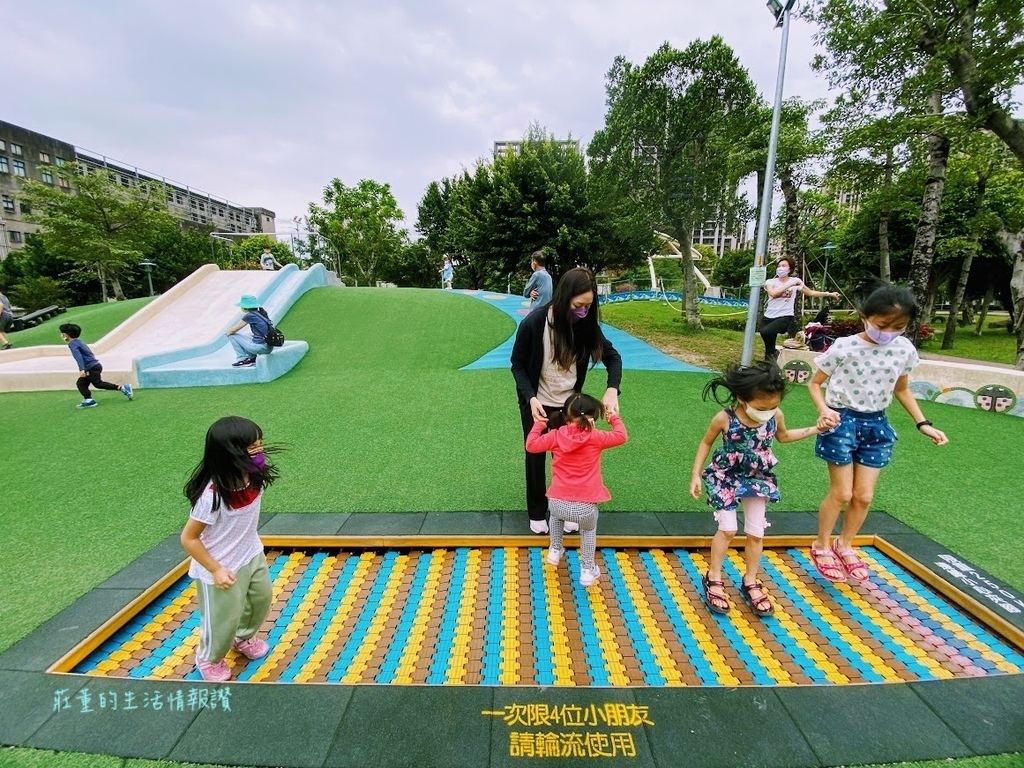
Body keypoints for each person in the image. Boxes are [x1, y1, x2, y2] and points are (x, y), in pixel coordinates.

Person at [807, 279, 949, 584]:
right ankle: (821, 545)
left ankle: (845, 545)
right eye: (882, 324)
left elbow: (903, 390)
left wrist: (923, 423)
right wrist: (824, 410)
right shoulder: (845, 346)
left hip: (877, 424)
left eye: (898, 326)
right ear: (865, 317)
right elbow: (814, 383)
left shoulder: (904, 350)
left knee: (864, 496)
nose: (888, 332)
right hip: (842, 421)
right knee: (842, 492)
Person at [690, 361, 822, 616]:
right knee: (728, 529)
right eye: (763, 407)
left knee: (756, 533)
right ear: (742, 398)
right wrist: (696, 474)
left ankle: (750, 579)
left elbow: (783, 437)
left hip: (757, 477)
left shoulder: (776, 415)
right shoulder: (725, 418)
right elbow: (706, 442)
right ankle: (713, 575)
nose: (768, 412)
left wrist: (816, 428)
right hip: (725, 476)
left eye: (773, 406)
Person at [511, 267, 622, 534]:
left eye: (588, 306)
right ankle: (537, 513)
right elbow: (517, 365)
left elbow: (613, 357)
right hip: (539, 402)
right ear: (564, 298)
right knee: (535, 455)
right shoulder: (535, 323)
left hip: (571, 407)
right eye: (577, 305)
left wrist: (612, 389)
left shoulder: (586, 326)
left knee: (573, 457)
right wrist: (531, 398)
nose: (582, 311)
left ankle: (570, 508)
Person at [181, 416, 276, 682]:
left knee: (261, 599)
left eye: (260, 444)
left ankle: (243, 637)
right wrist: (215, 569)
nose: (260, 452)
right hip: (220, 565)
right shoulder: (212, 495)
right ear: (231, 454)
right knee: (223, 618)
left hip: (250, 553)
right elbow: (189, 538)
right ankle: (209, 658)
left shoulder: (253, 477)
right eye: (253, 448)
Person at [526, 392, 627, 587]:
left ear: (566, 416)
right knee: (588, 530)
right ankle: (587, 569)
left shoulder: (555, 436)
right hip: (585, 507)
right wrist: (613, 416)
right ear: (591, 418)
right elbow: (621, 436)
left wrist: (539, 424)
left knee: (555, 516)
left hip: (557, 503)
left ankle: (555, 549)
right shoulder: (596, 437)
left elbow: (531, 445)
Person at [761, 257, 840, 361]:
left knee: (765, 332)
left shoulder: (796, 281)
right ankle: (770, 363)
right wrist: (789, 284)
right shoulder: (771, 282)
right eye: (779, 266)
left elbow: (810, 292)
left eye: (784, 266)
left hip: (785, 316)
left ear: (790, 269)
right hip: (769, 315)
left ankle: (773, 356)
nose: (780, 268)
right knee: (769, 346)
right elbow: (774, 293)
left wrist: (829, 294)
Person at [59, 323, 133, 408]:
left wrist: (82, 369)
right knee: (81, 383)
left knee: (98, 384)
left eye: (62, 333)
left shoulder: (72, 344)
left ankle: (123, 388)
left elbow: (78, 357)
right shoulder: (79, 342)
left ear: (66, 335)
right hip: (94, 366)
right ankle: (88, 399)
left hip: (91, 368)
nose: (61, 335)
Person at [225, 295, 273, 368]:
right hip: (268, 347)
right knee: (247, 335)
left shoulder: (250, 316)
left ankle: (243, 359)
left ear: (245, 307)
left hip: (261, 348)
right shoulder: (261, 313)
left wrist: (227, 333)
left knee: (232, 336)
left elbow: (234, 330)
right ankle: (252, 358)